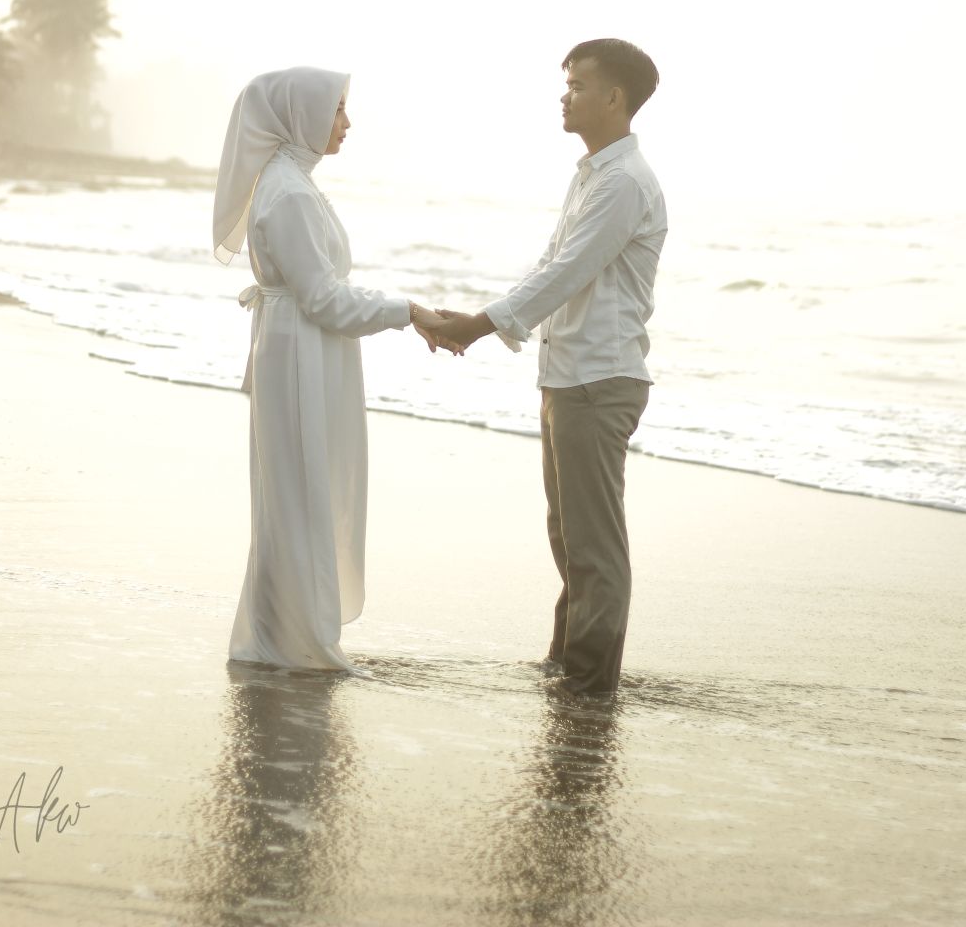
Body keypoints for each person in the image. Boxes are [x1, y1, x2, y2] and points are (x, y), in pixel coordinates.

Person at [430, 39, 667, 696]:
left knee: (593, 544)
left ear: (613, 97)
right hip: (568, 374)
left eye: (577, 86)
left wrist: (479, 326)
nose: (564, 96)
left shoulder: (624, 182)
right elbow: (550, 263)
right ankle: (567, 666)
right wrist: (479, 317)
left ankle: (589, 684)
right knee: (568, 535)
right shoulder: (593, 174)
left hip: (599, 378)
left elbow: (569, 272)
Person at [213, 66, 449, 673]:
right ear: (301, 116)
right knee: (301, 490)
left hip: (302, 346)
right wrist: (408, 311)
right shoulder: (289, 192)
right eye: (337, 109)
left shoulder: (291, 182)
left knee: (295, 490)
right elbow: (324, 299)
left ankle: (282, 632)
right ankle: (295, 641)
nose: (347, 122)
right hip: (300, 352)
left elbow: (320, 293)